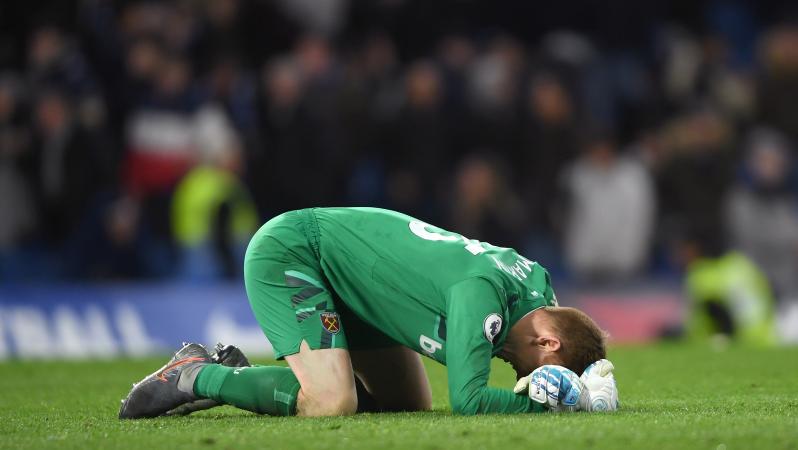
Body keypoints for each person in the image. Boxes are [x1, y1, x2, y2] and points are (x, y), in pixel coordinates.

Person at [119, 207, 613, 418]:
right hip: (298, 253)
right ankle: (196, 375)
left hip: (358, 287)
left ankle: (256, 380)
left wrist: (589, 376)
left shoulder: (536, 288)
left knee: (407, 403)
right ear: (548, 342)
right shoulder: (481, 294)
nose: (519, 373)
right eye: (533, 370)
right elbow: (467, 400)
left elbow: (571, 332)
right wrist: (551, 406)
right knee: (333, 402)